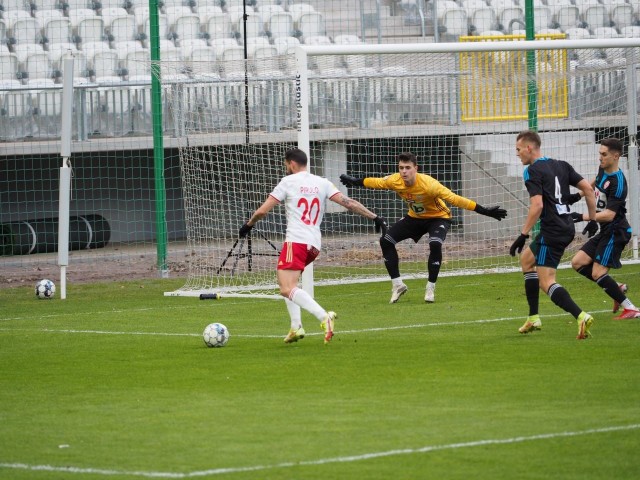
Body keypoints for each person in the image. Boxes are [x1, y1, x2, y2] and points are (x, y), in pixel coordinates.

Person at [238, 148, 388, 345]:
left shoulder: (288, 182)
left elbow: (263, 211)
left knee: (285, 288)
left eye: (286, 165)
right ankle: (296, 326)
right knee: (292, 285)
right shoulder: (322, 182)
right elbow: (349, 203)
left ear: (291, 164)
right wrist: (374, 216)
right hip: (314, 245)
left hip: (296, 241)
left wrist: (248, 225)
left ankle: (323, 317)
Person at [340, 152, 507, 304]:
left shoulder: (429, 185)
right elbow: (376, 182)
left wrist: (484, 211)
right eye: (401, 168)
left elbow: (455, 199)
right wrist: (355, 182)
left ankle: (430, 287)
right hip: (415, 218)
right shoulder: (395, 180)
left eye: (407, 168)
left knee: (435, 243)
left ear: (415, 169)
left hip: (438, 217)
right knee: (386, 241)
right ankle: (397, 285)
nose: (404, 171)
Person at [509, 130, 597, 340]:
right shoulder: (561, 165)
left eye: (519, 149)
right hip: (564, 226)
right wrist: (593, 219)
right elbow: (587, 188)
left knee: (546, 281)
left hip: (553, 230)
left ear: (529, 148)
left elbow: (537, 205)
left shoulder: (531, 171)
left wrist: (523, 234)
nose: (517, 154)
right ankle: (533, 317)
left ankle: (581, 316)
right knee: (527, 260)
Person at [568, 137, 640, 319]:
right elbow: (594, 183)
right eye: (600, 153)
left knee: (598, 272)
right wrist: (578, 195)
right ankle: (616, 288)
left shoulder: (618, 183)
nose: (600, 157)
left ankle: (631, 309)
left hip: (616, 231)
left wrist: (583, 217)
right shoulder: (603, 168)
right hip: (606, 230)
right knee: (577, 262)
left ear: (616, 156)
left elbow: (610, 214)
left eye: (604, 154)